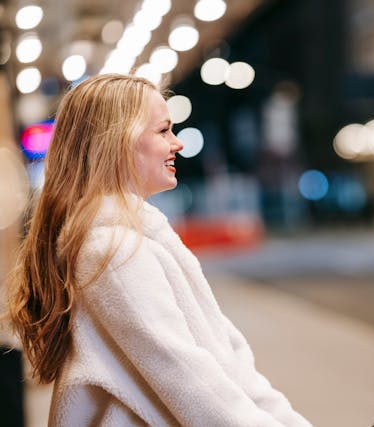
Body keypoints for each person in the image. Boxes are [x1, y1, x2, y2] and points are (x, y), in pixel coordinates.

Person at [6, 73, 311, 426]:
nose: (176, 144)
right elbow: (191, 381)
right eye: (163, 130)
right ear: (119, 141)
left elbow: (231, 366)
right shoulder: (113, 253)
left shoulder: (133, 240)